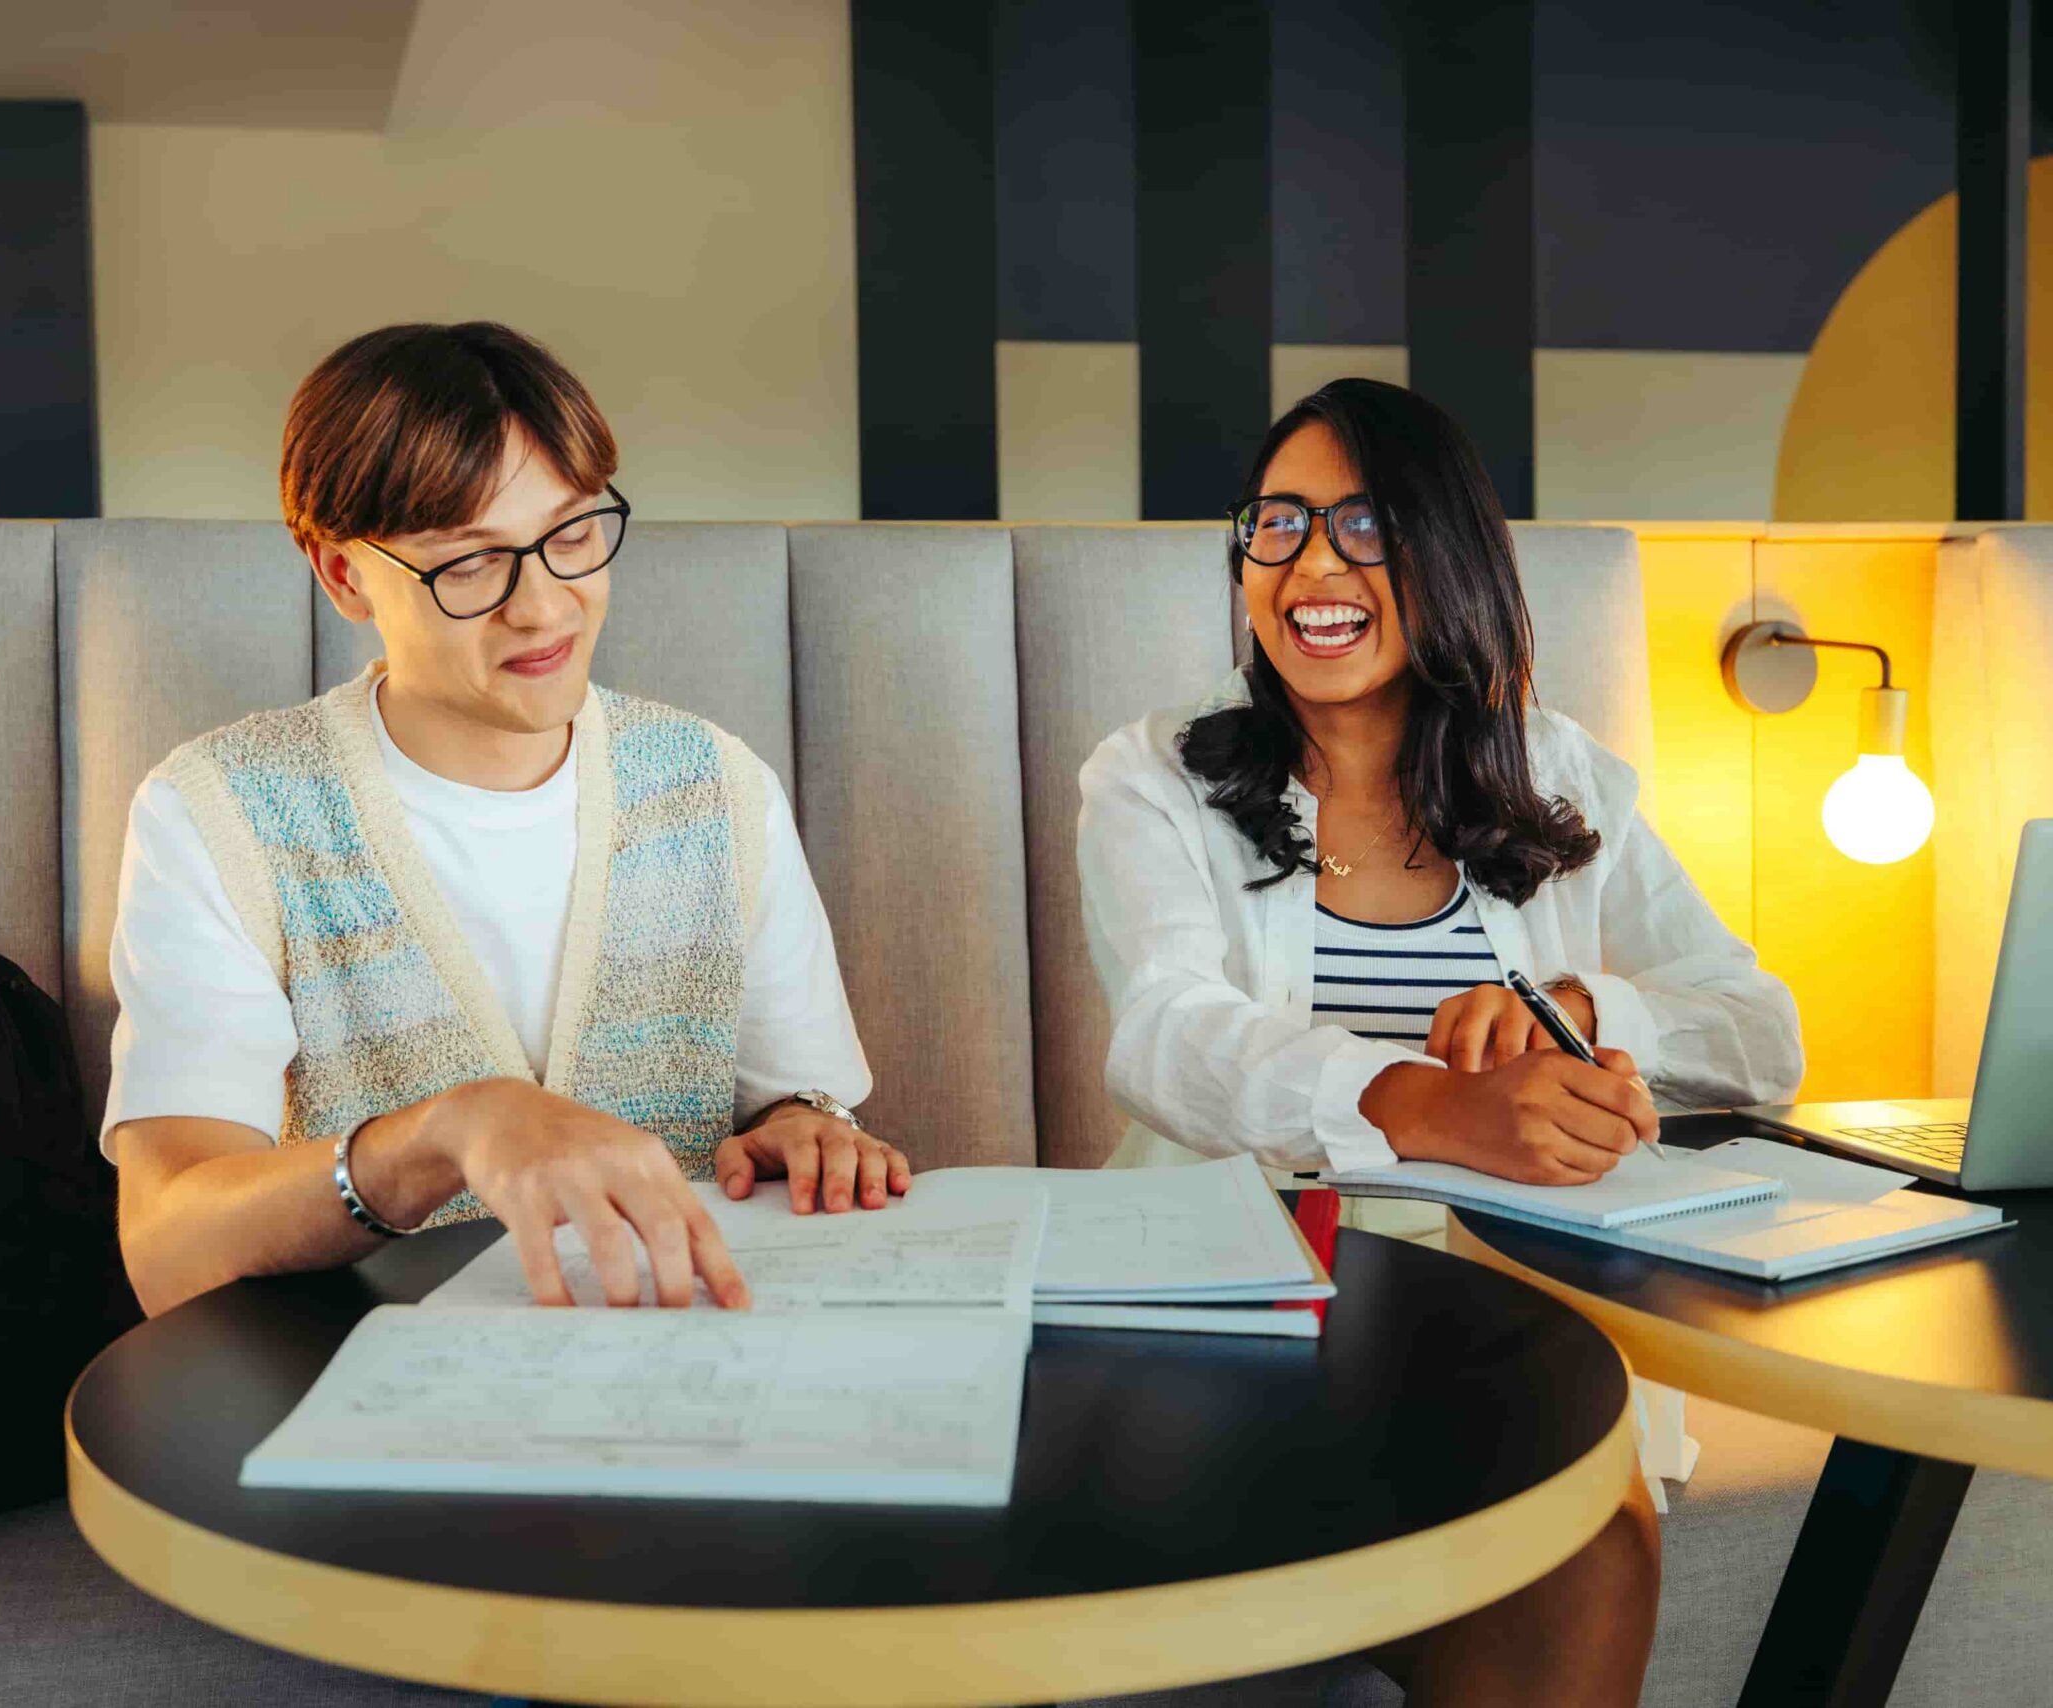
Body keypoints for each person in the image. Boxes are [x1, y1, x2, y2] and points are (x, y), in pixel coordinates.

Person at [1076, 378, 1805, 1706]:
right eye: (1277, 524)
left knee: (1587, 1555)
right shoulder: (1157, 777)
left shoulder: (1561, 777)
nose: (1309, 565)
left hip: (1515, 1292)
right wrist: (1425, 1103)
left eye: (1364, 527)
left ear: (1447, 558)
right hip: (1237, 1283)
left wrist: (1586, 1011)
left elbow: (1761, 1034)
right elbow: (1163, 1037)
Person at [105, 322, 899, 1320]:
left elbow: (795, 1102)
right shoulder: (219, 811)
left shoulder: (714, 785)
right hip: (369, 1390)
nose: (544, 608)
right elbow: (169, 1246)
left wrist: (803, 1130)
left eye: (570, 535)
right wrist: (445, 1133)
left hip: (690, 1364)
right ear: (343, 575)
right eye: (470, 564)